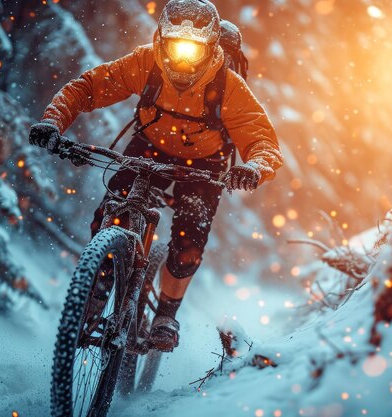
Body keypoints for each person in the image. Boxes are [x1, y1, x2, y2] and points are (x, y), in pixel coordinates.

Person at [29, 0, 282, 352]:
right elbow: (87, 88)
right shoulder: (145, 63)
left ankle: (166, 314)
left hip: (205, 162)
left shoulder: (229, 86)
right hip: (151, 145)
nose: (183, 61)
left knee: (189, 239)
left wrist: (253, 168)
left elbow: (262, 141)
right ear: (162, 40)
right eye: (176, 48)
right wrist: (53, 121)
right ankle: (97, 289)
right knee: (112, 209)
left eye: (193, 51)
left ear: (210, 49)